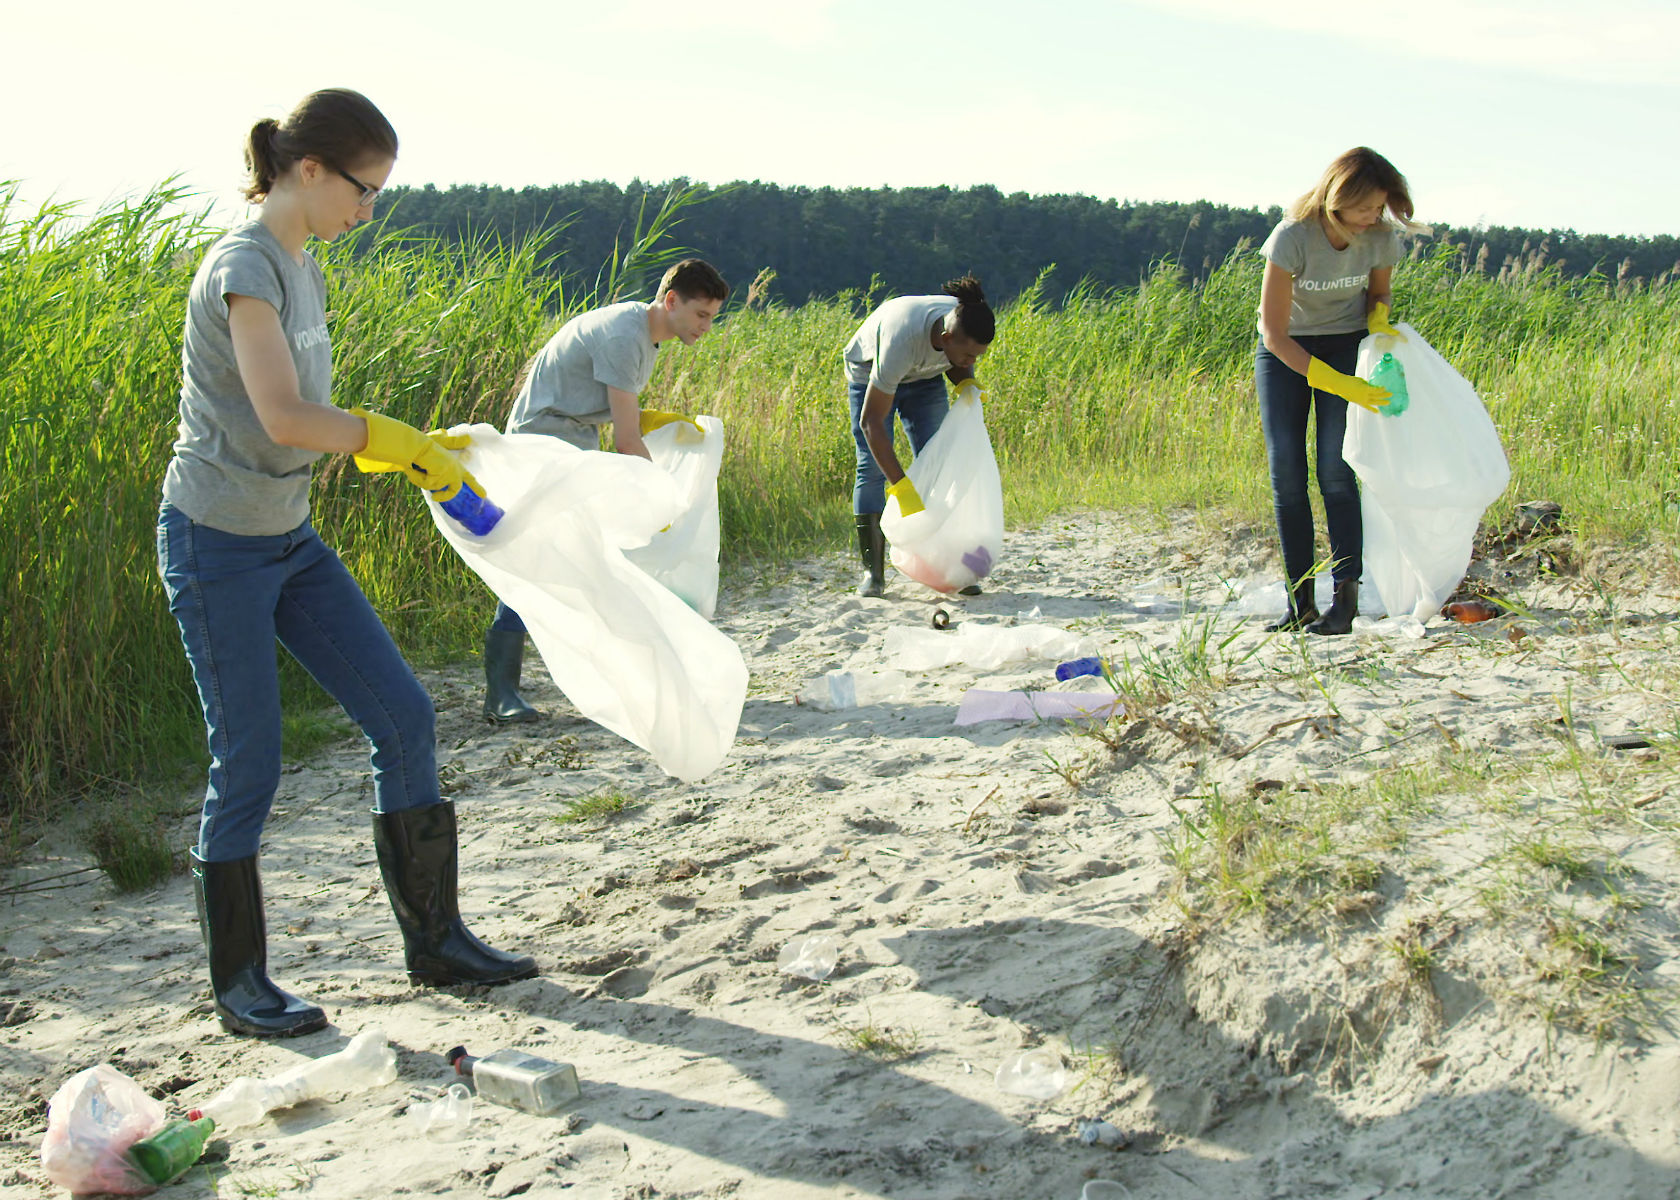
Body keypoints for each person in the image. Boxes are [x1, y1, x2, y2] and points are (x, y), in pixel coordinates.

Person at [157, 88, 536, 1039]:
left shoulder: (301, 263)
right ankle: (241, 981)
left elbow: (309, 420)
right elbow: (284, 417)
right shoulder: (246, 267)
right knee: (249, 758)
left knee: (402, 714)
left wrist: (411, 442)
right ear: (309, 169)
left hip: (287, 539)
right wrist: (390, 437)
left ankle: (436, 942)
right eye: (363, 191)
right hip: (215, 543)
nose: (367, 212)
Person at [482, 259, 730, 723]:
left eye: (713, 318)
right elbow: (626, 441)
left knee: (586, 561)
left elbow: (621, 415)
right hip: (544, 444)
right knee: (544, 559)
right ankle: (501, 693)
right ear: (671, 300)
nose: (706, 327)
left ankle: (610, 680)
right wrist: (666, 504)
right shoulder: (625, 336)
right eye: (701, 315)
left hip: (572, 439)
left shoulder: (645, 333)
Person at [1255, 146, 1419, 635]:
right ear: (1336, 199)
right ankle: (1298, 603)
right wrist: (1329, 379)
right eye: (1367, 208)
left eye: (1381, 208)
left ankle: (1344, 603)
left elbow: (1379, 291)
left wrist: (1378, 317)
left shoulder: (1380, 238)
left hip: (1347, 344)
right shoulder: (1292, 238)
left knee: (1337, 472)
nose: (1375, 217)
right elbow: (1273, 333)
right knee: (1287, 473)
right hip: (1287, 353)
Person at [844, 275, 995, 598]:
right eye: (969, 357)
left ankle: (951, 565)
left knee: (939, 463)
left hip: (926, 377)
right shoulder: (903, 339)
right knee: (871, 469)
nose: (972, 364)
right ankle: (874, 573)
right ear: (945, 338)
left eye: (977, 357)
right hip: (869, 372)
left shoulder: (965, 318)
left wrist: (965, 382)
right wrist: (900, 486)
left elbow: (957, 360)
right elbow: (871, 422)